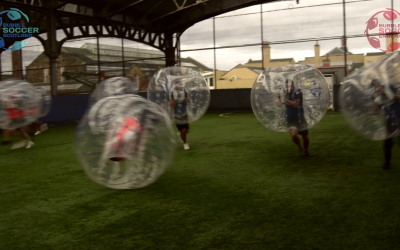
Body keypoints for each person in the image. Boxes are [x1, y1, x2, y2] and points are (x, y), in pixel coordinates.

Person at [371, 79, 400, 169]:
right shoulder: (379, 96)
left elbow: (397, 97)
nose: (375, 89)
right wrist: (377, 103)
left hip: (399, 117)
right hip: (390, 120)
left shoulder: (392, 87)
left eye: (376, 86)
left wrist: (390, 95)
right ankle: (387, 162)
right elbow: (376, 111)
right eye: (374, 87)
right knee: (387, 142)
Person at [278, 79, 311, 157]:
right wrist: (278, 101)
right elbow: (281, 103)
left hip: (300, 118)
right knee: (293, 135)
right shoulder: (285, 93)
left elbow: (296, 104)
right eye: (286, 86)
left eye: (289, 86)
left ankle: (306, 151)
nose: (288, 88)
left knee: (305, 137)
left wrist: (284, 99)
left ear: (293, 85)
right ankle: (300, 148)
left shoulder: (298, 92)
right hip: (290, 118)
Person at [169, 79, 190, 150]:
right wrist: (175, 98)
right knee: (183, 130)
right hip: (176, 116)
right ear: (174, 86)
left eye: (179, 84)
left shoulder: (184, 92)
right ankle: (185, 144)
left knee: (186, 131)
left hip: (184, 114)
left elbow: (187, 102)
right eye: (176, 84)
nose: (178, 85)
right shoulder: (172, 93)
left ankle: (180, 135)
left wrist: (185, 99)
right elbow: (172, 105)